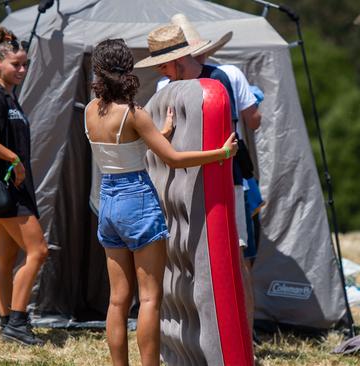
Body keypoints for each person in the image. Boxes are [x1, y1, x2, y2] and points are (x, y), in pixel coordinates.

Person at [86, 38, 238, 366]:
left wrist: (160, 131)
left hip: (108, 202)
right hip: (137, 201)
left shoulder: (90, 111)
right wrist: (222, 153)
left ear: (98, 72)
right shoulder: (134, 114)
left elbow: (125, 149)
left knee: (117, 301)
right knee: (151, 298)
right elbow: (174, 160)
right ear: (126, 70)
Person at [142, 17, 262, 336]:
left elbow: (229, 141)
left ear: (178, 60)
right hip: (186, 185)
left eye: (163, 66)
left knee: (234, 258)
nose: (160, 73)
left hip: (225, 183)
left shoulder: (219, 81)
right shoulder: (167, 89)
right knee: (194, 261)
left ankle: (243, 338)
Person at [0, 26, 48, 346]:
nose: (22, 70)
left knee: (5, 259)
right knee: (38, 251)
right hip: (6, 190)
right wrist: (14, 160)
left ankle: (6, 324)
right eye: (16, 64)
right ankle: (17, 321)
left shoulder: (9, 96)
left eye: (25, 64)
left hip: (12, 191)